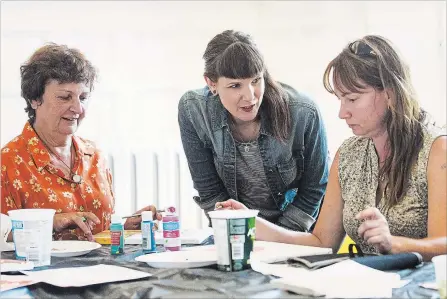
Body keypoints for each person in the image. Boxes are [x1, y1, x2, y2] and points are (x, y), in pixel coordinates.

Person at [217, 35, 447, 261]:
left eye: (352, 99)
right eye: (340, 99)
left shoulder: (437, 150)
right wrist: (250, 221)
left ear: (390, 94)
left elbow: (443, 243)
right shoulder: (348, 154)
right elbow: (322, 242)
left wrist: (394, 243)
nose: (342, 113)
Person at [1, 43, 161, 241]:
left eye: (83, 97)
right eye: (64, 97)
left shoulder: (94, 155)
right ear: (35, 99)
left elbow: (94, 231)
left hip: (101, 269)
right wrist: (49, 222)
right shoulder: (8, 162)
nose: (78, 108)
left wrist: (125, 226)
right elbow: (3, 236)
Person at [178, 30, 329, 232]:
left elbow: (314, 188)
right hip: (236, 231)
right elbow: (209, 190)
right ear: (211, 83)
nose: (250, 97)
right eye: (235, 86)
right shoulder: (193, 110)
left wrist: (276, 237)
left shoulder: (303, 111)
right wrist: (239, 233)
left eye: (255, 80)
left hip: (298, 233)